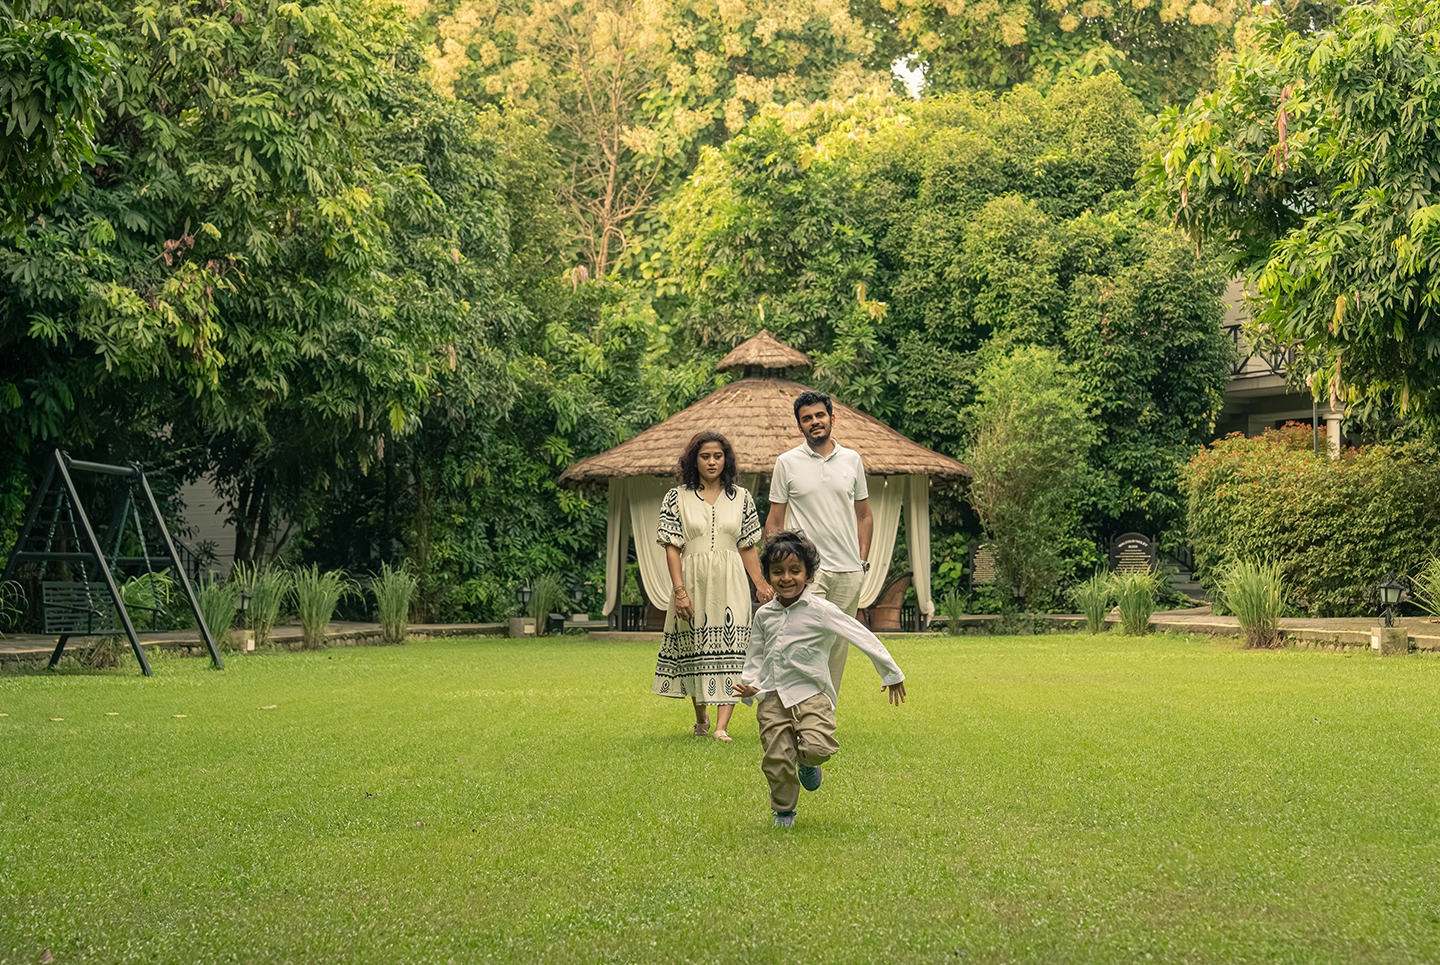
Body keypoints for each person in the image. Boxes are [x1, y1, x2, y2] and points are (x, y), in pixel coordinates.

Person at [733, 530, 906, 827]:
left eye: (795, 571)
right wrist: (752, 686)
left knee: (818, 748)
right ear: (768, 576)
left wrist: (890, 672)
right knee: (776, 758)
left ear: (809, 575)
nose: (786, 578)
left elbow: (860, 635)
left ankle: (807, 763)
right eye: (778, 572)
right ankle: (784, 812)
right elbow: (757, 655)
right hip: (773, 695)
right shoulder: (764, 615)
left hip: (811, 694)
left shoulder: (822, 611)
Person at [652, 431, 774, 741]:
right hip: (692, 580)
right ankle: (701, 717)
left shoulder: (742, 497)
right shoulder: (677, 497)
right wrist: (680, 591)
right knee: (698, 647)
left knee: (732, 649)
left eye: (717, 456)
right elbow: (671, 546)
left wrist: (760, 583)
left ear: (726, 460)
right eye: (705, 456)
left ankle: (721, 727)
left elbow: (747, 546)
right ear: (695, 459)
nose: (712, 461)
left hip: (731, 581)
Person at [764, 389, 873, 689]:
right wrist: (776, 571)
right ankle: (800, 714)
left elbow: (864, 515)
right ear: (799, 426)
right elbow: (774, 522)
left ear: (832, 418)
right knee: (807, 643)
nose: (814, 422)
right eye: (807, 418)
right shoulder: (786, 462)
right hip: (808, 572)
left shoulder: (852, 460)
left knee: (838, 648)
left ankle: (824, 719)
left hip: (849, 572)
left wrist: (862, 561)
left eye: (819, 415)